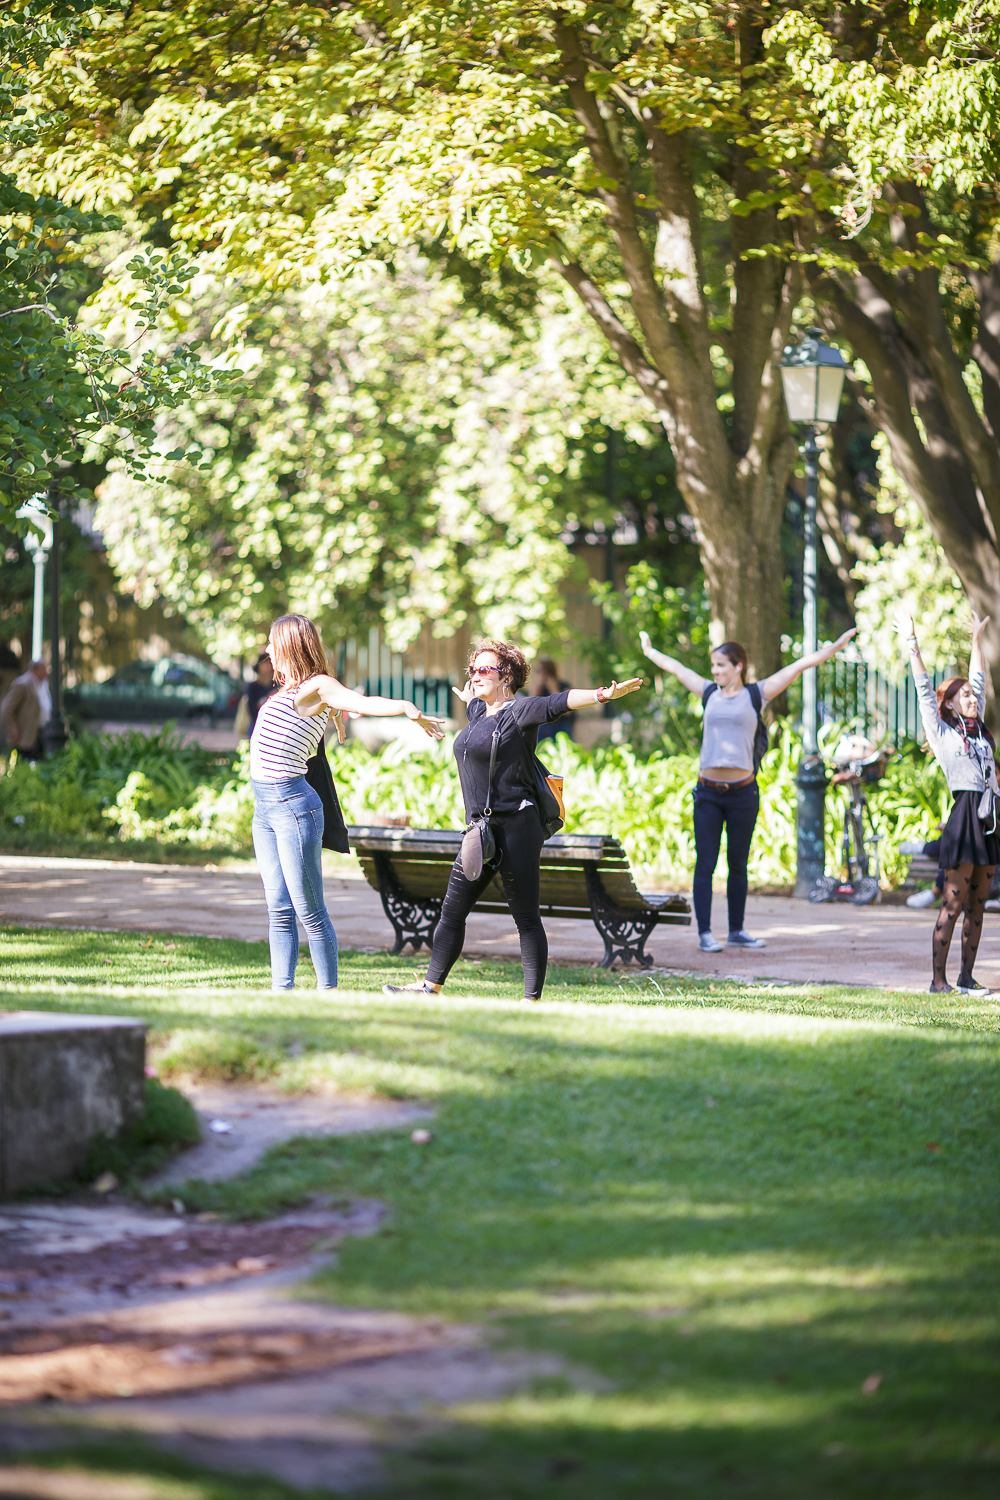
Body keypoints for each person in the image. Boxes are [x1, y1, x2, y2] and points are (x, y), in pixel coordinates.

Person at [383, 639, 642, 1002]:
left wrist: (602, 695)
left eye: (484, 670)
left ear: (507, 677)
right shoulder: (478, 712)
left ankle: (530, 1000)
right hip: (480, 831)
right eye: (473, 670)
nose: (475, 676)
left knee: (525, 918)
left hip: (518, 826)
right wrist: (469, 695)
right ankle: (429, 987)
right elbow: (474, 703)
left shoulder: (522, 712)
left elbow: (560, 702)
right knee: (452, 909)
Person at [252, 614, 445, 991]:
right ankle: (282, 991)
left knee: (309, 909)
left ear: (290, 645)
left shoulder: (318, 685)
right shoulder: (290, 692)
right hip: (265, 810)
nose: (267, 650)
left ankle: (328, 992)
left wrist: (406, 707)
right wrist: (336, 717)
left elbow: (360, 701)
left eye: (273, 642)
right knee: (278, 906)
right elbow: (328, 710)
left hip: (292, 805)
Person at [640, 626, 857, 951]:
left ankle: (737, 930)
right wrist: (649, 651)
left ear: (738, 666)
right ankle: (705, 933)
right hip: (708, 793)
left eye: (721, 666)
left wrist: (837, 646)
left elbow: (799, 666)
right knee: (706, 862)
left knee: (738, 864)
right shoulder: (708, 692)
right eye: (713, 667)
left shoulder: (756, 693)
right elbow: (677, 668)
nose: (715, 672)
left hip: (743, 793)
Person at [898, 608, 997, 995]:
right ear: (952, 704)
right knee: (953, 905)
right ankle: (938, 982)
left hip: (990, 817)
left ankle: (965, 977)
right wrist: (912, 644)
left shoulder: (980, 730)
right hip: (964, 819)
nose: (973, 697)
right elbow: (924, 690)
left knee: (978, 907)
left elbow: (980, 677)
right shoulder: (943, 734)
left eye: (973, 694)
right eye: (965, 695)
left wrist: (976, 641)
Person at [0, 659, 51, 757]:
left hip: (42, 732)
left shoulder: (44, 684)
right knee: (25, 761)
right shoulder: (22, 684)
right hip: (26, 735)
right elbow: (7, 708)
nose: (46, 671)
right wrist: (13, 728)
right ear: (36, 669)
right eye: (44, 668)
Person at [532, 655, 575, 742]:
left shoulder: (563, 685)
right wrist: (538, 687)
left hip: (561, 724)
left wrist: (553, 689)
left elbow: (567, 711)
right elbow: (531, 708)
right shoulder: (539, 688)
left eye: (541, 670)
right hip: (544, 725)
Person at [246, 652, 277, 733]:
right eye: (263, 663)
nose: (266, 666)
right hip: (257, 724)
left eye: (268, 663)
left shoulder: (276, 685)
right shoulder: (253, 687)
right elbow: (251, 707)